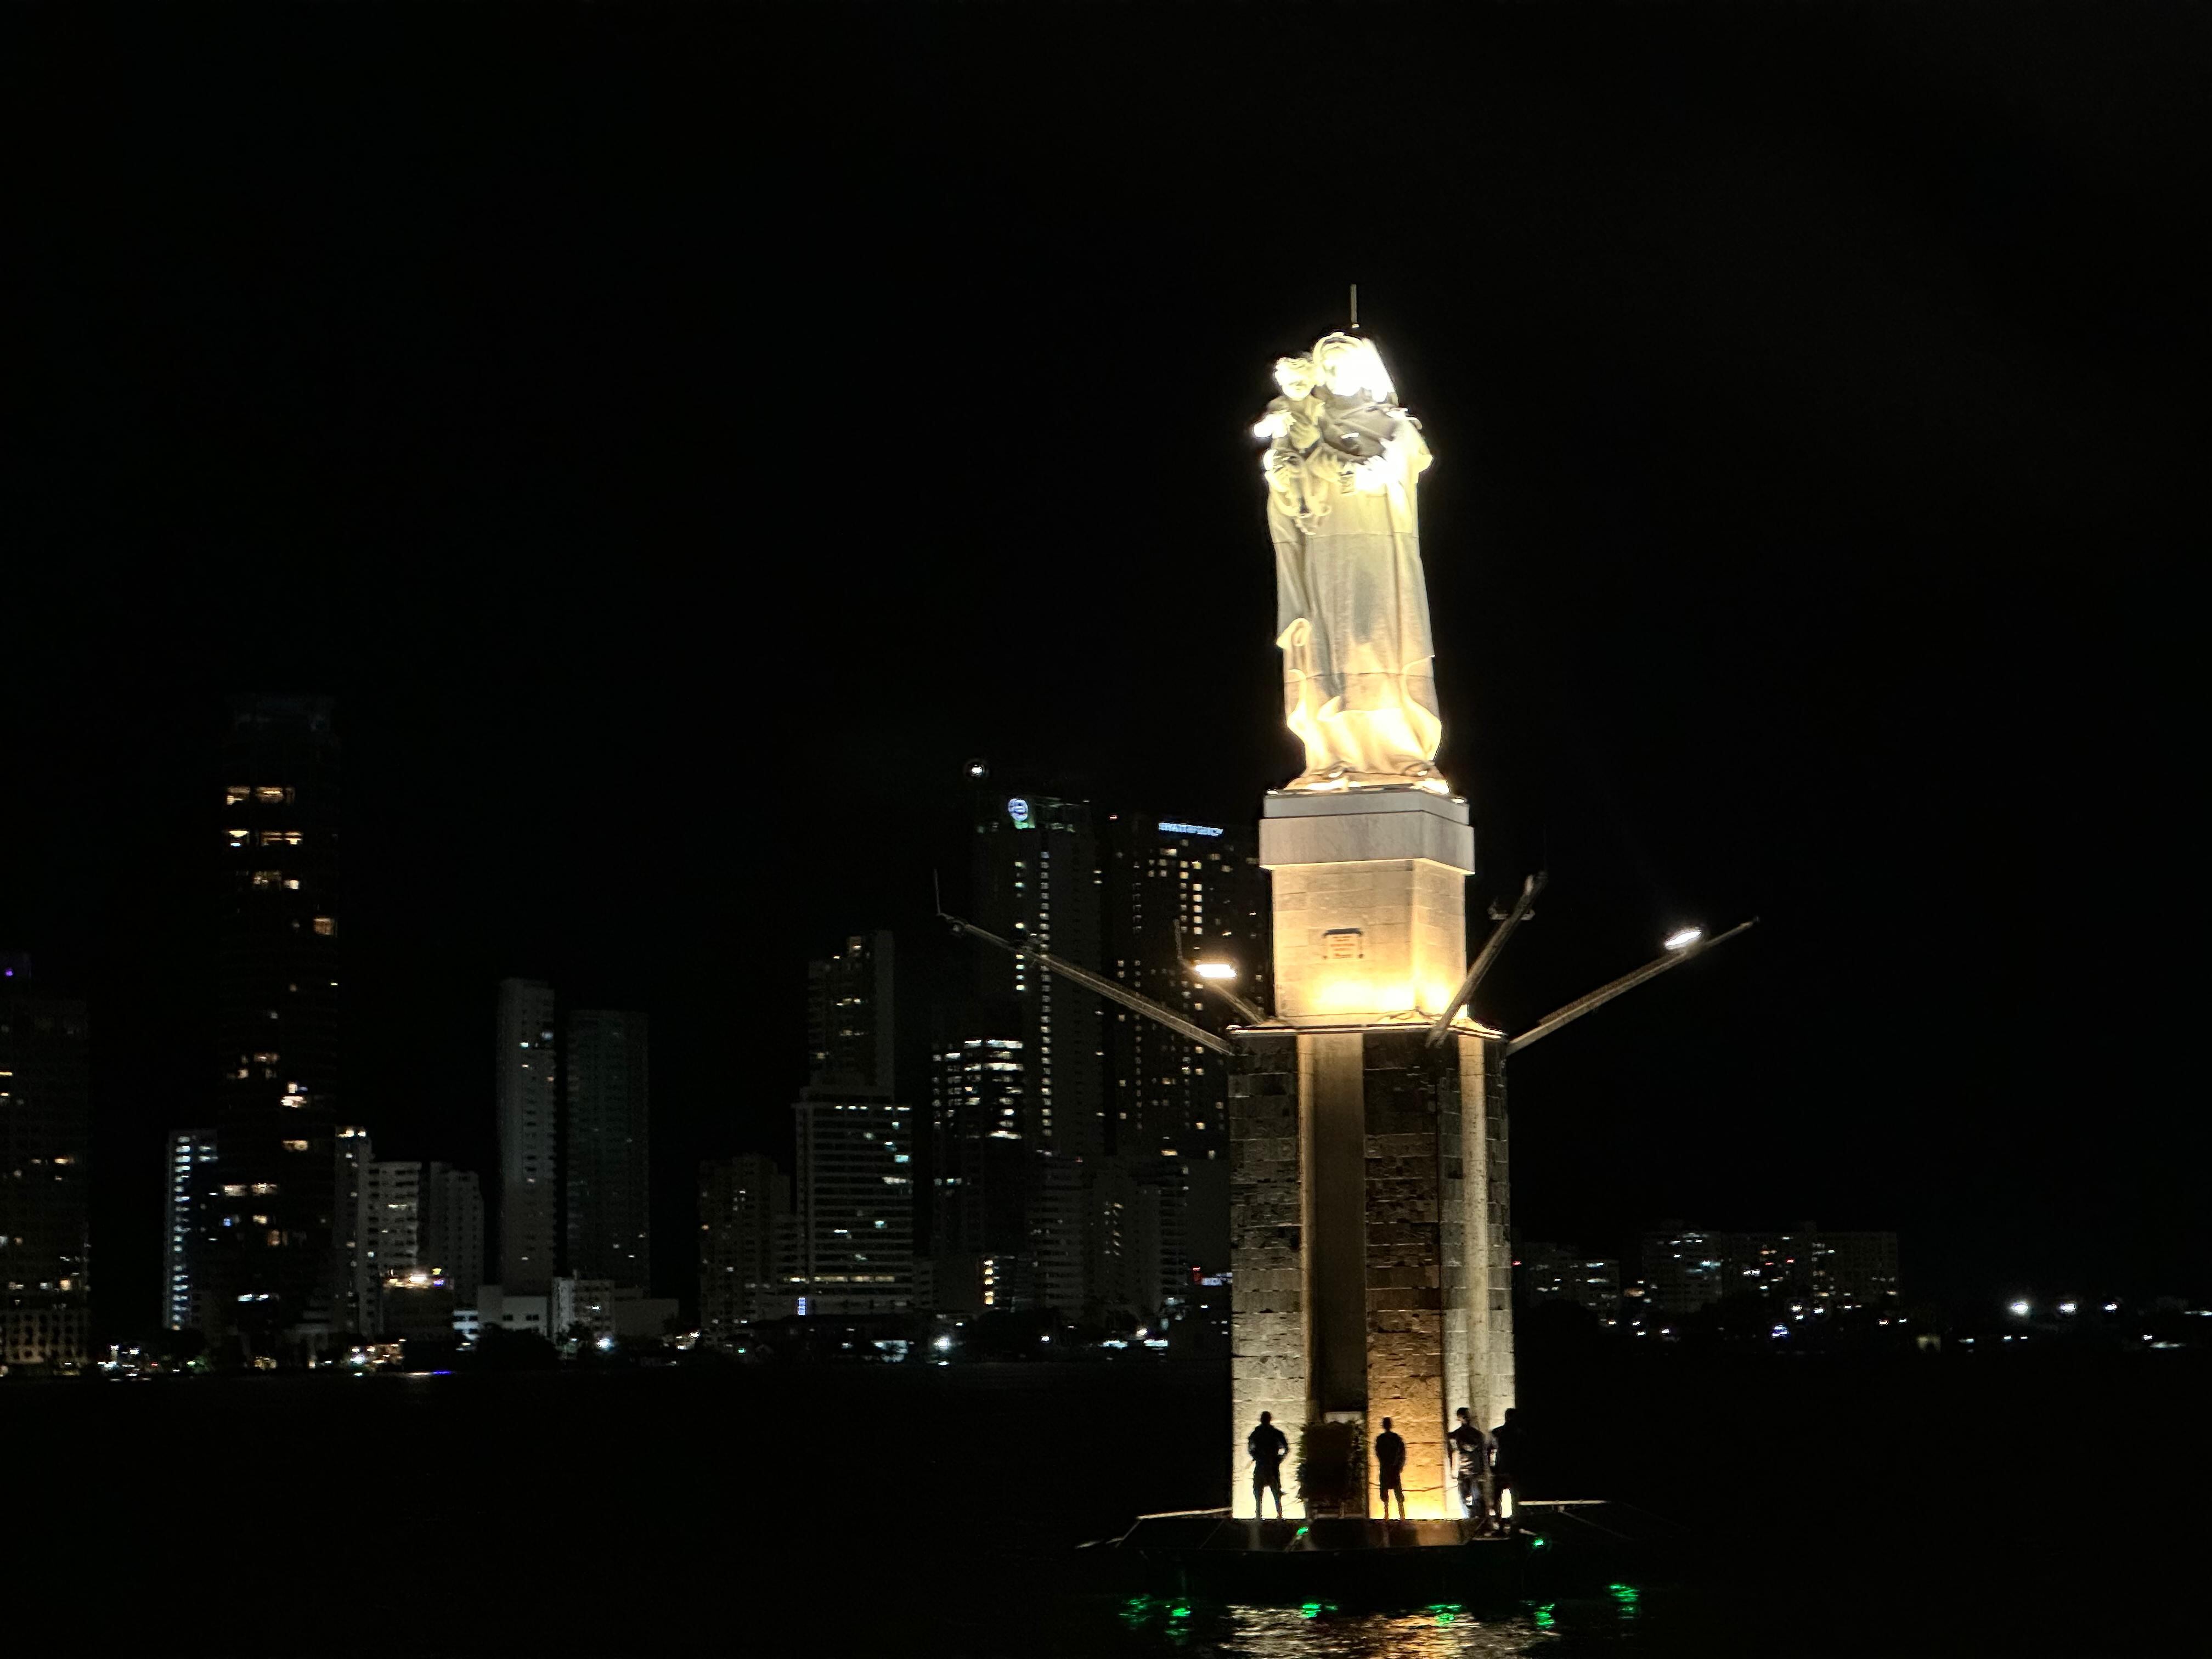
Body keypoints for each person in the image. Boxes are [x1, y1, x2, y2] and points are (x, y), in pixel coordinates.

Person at [1447, 1406, 1489, 1524]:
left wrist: (1483, 1470)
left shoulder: (1476, 1435)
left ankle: (1479, 1522)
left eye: (1467, 1416)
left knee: (1477, 1499)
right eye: (1464, 1417)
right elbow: (1452, 1453)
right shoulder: (1456, 1435)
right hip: (1463, 1471)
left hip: (1474, 1471)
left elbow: (1481, 1453)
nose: (1466, 1419)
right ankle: (1469, 1520)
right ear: (1459, 1418)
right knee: (1465, 1499)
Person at [1489, 1407, 1528, 1534]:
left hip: (1502, 1470)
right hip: (1512, 1471)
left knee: (1498, 1498)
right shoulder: (1520, 1434)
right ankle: (1512, 1524)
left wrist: (1493, 1467)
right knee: (1513, 1499)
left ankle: (1500, 1523)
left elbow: (1491, 1451)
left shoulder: (1497, 1432)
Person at [1248, 1410, 1290, 1519]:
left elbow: (1286, 1449)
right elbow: (1251, 1448)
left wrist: (1278, 1459)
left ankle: (1278, 1513)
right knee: (1260, 1490)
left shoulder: (1273, 1433)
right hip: (1265, 1465)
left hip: (1270, 1465)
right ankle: (1261, 1514)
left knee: (1274, 1490)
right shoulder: (1259, 1433)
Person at [1373, 1416, 1407, 1520]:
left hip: (1389, 1467)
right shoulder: (1394, 1438)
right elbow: (1401, 1453)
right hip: (1391, 1467)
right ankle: (1398, 1514)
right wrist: (1398, 1465)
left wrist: (1395, 1464)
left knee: (1390, 1490)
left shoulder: (1382, 1439)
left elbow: (1379, 1453)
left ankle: (1390, 1513)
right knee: (1393, 1490)